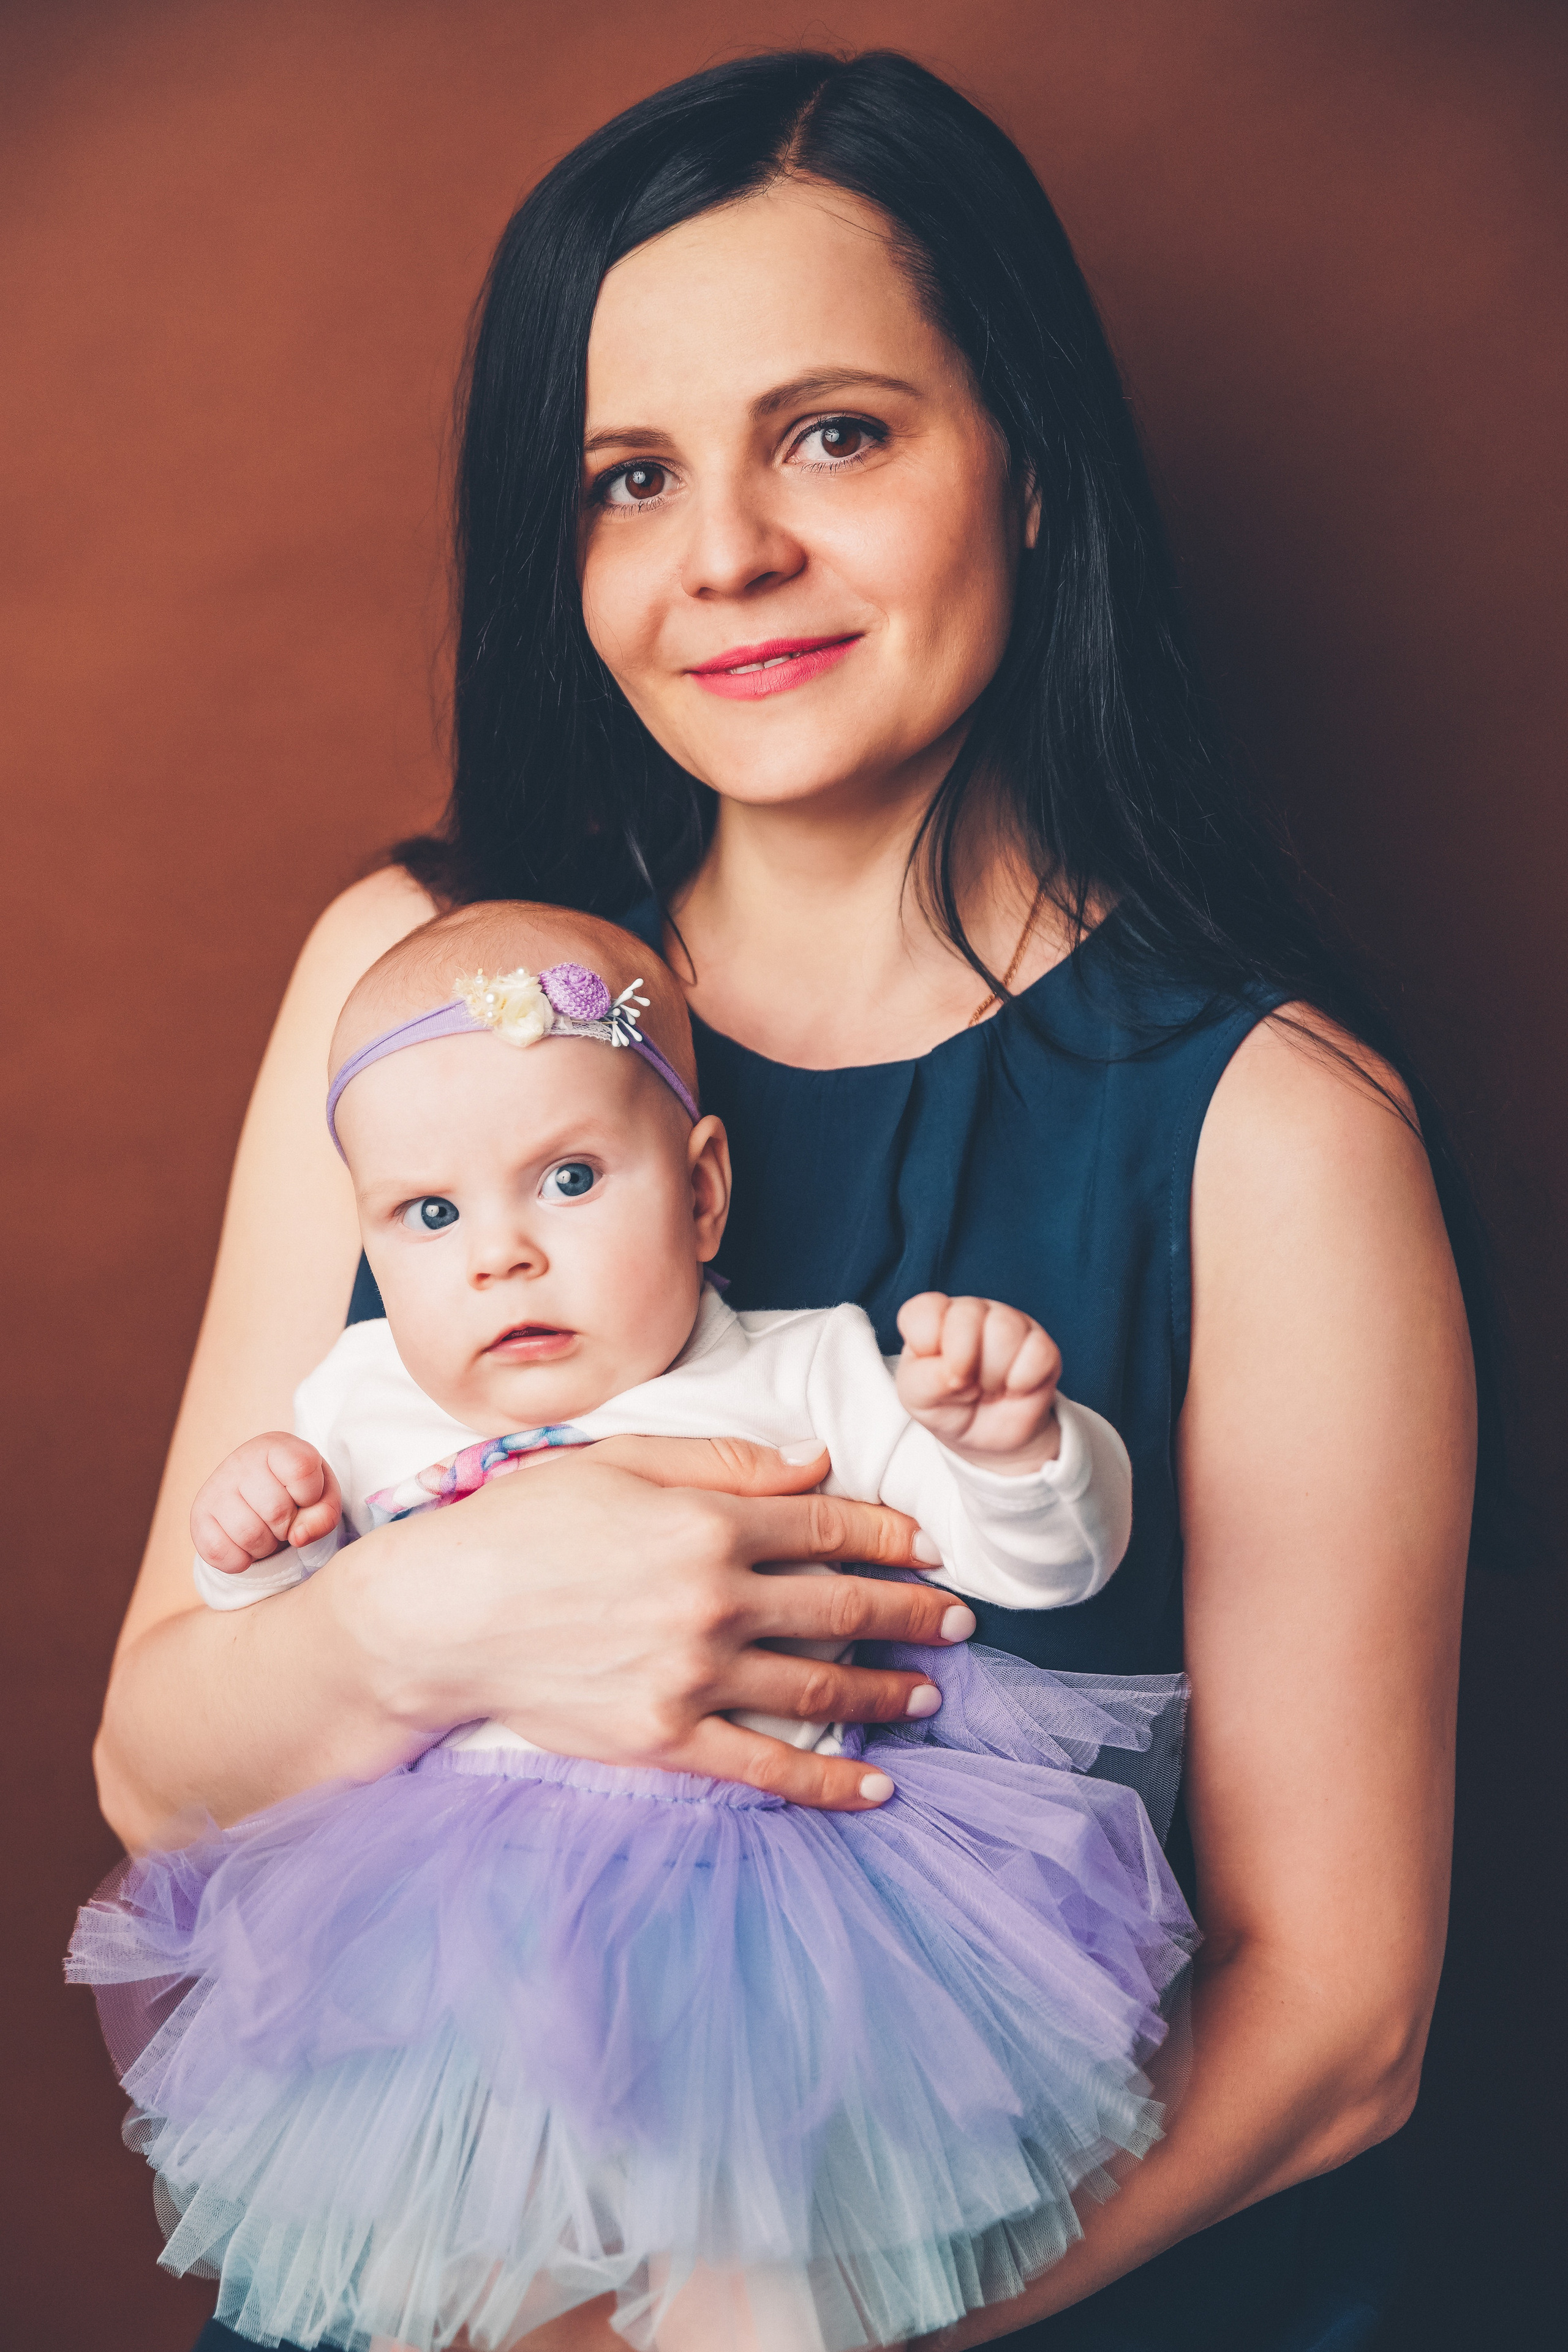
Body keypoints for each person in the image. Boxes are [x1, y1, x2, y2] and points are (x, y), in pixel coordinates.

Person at [92, 48, 1478, 2352]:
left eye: (834, 432)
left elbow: (1338, 2029)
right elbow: (158, 1760)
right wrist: (437, 1621)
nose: (726, 552)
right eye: (630, 476)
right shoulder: (419, 981)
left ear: (1028, 466)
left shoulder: (1275, 1128)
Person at [75, 902, 1198, 2352]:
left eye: (569, 1178)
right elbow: (279, 1657)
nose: (502, 1256)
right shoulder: (364, 1402)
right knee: (444, 2289)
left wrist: (1009, 1447)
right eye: (430, 1216)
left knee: (752, 2286)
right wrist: (257, 1540)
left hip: (764, 1927)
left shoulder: (808, 1371)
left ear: (701, 1194)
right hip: (449, 1941)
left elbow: (1037, 1560)